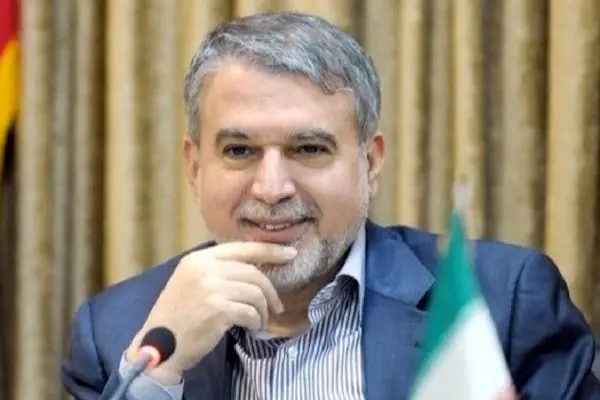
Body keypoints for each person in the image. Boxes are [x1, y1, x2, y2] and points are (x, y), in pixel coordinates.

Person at [61, 11, 600, 400]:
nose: (272, 188)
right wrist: (157, 379)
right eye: (240, 150)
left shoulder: (500, 304)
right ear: (195, 166)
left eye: (309, 149)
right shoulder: (117, 337)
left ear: (370, 163)